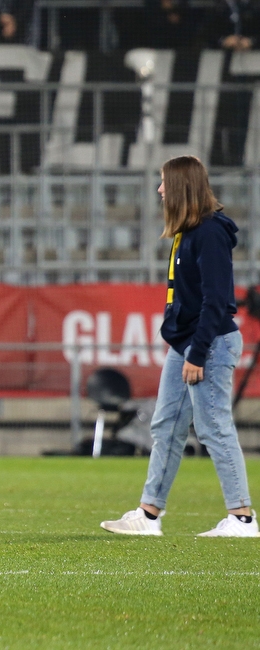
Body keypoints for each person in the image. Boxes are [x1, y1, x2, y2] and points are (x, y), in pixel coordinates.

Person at [101, 156, 257, 538]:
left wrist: (198, 353)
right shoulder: (188, 231)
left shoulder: (210, 233)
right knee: (166, 426)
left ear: (182, 187)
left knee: (213, 426)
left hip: (209, 343)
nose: (159, 191)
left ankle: (242, 518)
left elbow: (217, 300)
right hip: (187, 342)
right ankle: (148, 515)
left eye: (164, 184)